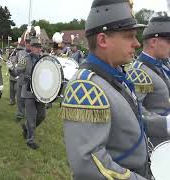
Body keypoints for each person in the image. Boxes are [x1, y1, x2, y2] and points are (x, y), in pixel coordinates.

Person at [61, 0, 151, 179]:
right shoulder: (85, 87)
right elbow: (88, 165)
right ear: (103, 40)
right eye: (129, 36)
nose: (137, 44)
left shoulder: (114, 75)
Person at [126, 15, 170, 147]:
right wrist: (165, 123)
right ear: (153, 42)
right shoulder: (139, 71)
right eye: (169, 41)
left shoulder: (163, 65)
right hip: (157, 145)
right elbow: (133, 110)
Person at [8, 26, 46, 149]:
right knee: (31, 116)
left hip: (40, 92)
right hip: (28, 91)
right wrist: (10, 68)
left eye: (39, 47)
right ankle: (30, 140)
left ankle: (26, 127)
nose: (38, 49)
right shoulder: (24, 59)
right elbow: (16, 73)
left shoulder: (44, 60)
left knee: (41, 116)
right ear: (31, 47)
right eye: (35, 47)